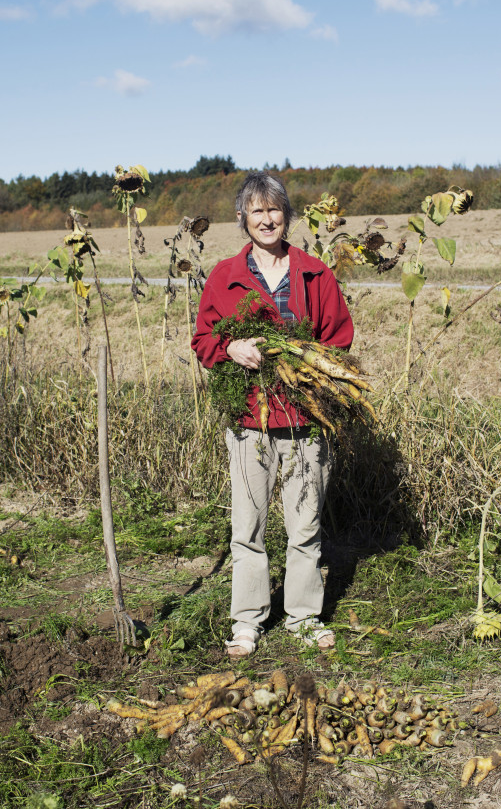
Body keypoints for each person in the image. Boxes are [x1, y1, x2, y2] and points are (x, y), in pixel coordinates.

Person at [192, 170, 354, 658]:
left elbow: (340, 338)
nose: (267, 219)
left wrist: (310, 366)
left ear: (288, 216)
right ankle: (248, 621)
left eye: (275, 210)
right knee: (249, 526)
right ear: (243, 218)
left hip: (306, 419)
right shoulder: (224, 275)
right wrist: (232, 346)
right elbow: (204, 340)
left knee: (305, 526)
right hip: (248, 418)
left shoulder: (314, 272)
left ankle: (303, 616)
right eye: (257, 211)